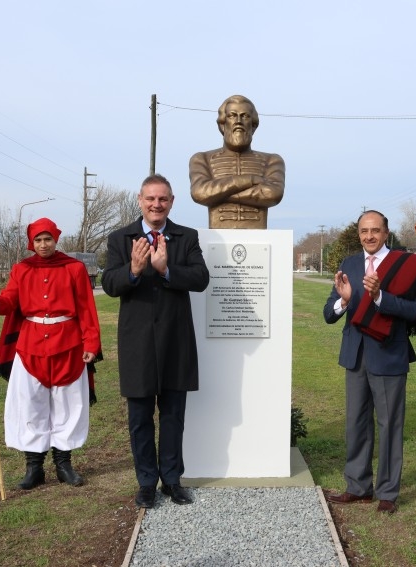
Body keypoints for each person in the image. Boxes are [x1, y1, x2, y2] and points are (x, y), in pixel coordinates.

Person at [323, 211, 416, 514]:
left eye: (375, 230)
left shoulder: (405, 265)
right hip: (355, 355)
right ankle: (358, 487)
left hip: (389, 353)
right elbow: (328, 313)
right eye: (364, 231)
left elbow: (415, 310)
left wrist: (379, 297)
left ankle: (388, 492)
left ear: (386, 232)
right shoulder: (349, 264)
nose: (369, 236)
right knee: (356, 424)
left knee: (390, 424)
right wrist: (346, 301)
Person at [102, 174, 210, 509]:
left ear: (171, 202)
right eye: (150, 198)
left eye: (162, 199)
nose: (156, 204)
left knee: (173, 417)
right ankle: (147, 482)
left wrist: (165, 270)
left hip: (176, 343)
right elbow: (109, 283)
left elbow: (201, 278)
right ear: (140, 200)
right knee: (139, 419)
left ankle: (173, 481)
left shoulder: (186, 237)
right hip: (138, 346)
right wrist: (133, 270)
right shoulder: (121, 239)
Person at [0, 217, 101, 490]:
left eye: (48, 239)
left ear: (56, 239)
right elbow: (7, 303)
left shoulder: (74, 268)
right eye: (38, 240)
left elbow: (86, 308)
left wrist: (91, 344)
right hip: (30, 347)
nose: (43, 244)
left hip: (68, 346)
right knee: (31, 404)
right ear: (31, 243)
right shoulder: (21, 269)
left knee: (68, 405)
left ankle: (64, 465)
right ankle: (34, 468)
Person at [189, 94, 285, 229]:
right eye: (232, 115)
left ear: (253, 126)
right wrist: (250, 179)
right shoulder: (201, 159)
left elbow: (273, 194)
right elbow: (199, 192)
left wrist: (216, 195)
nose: (238, 121)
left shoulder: (272, 160)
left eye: (245, 116)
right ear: (222, 124)